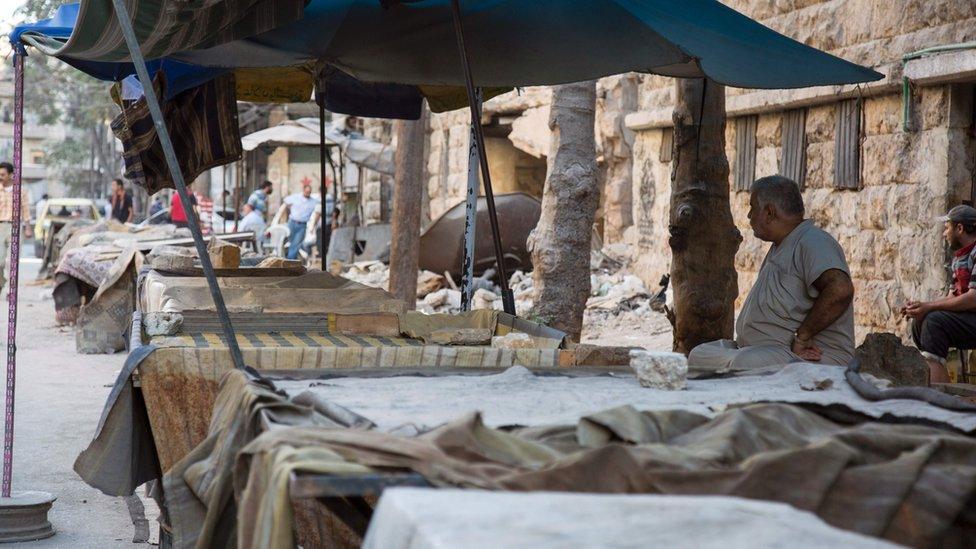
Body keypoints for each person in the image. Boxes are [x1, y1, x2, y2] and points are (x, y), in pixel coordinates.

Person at [688, 175, 855, 375]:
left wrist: (802, 336)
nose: (749, 216)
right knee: (700, 354)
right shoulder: (782, 244)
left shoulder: (812, 241)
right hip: (758, 351)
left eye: (752, 208)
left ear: (769, 212)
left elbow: (841, 289)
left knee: (744, 363)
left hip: (809, 356)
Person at [902, 205, 976, 384]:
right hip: (969, 318)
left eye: (947, 227)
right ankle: (942, 386)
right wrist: (921, 307)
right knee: (920, 322)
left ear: (960, 228)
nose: (944, 233)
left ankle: (935, 396)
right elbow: (953, 297)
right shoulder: (959, 257)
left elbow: (973, 298)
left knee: (934, 322)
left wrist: (930, 307)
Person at [0, 162, 32, 292]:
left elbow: (25, 209)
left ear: (11, 175)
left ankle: (11, 291)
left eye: (2, 174)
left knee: (12, 262)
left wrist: (28, 227)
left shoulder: (20, 191)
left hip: (15, 228)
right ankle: (1, 282)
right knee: (0, 262)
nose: (0, 177)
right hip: (0, 227)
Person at [282, 184, 319, 260]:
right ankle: (291, 257)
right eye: (306, 191)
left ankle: (290, 260)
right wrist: (290, 209)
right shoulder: (296, 197)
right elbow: (286, 201)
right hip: (292, 222)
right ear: (303, 190)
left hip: (302, 225)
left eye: (309, 192)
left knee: (296, 243)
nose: (308, 193)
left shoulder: (313, 201)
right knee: (291, 242)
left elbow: (318, 210)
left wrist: (313, 225)